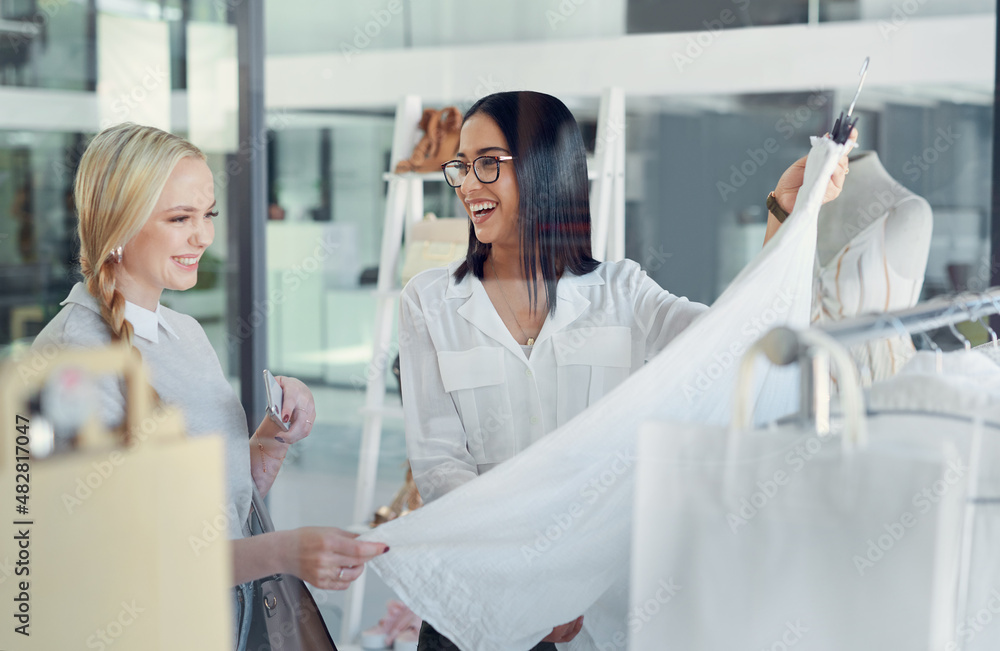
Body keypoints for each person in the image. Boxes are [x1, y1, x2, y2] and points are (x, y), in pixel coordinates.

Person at [398, 91, 854, 649]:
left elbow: (737, 349)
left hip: (594, 614)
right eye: (461, 166)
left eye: (488, 163)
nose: (468, 184)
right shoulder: (429, 302)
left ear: (546, 169)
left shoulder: (624, 294)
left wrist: (788, 216)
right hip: (476, 608)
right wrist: (526, 588)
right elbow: (442, 469)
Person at [31, 123, 388, 651]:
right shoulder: (67, 364)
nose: (203, 236)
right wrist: (283, 552)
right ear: (119, 225)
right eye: (180, 219)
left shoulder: (185, 334)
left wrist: (266, 444)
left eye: (209, 214)